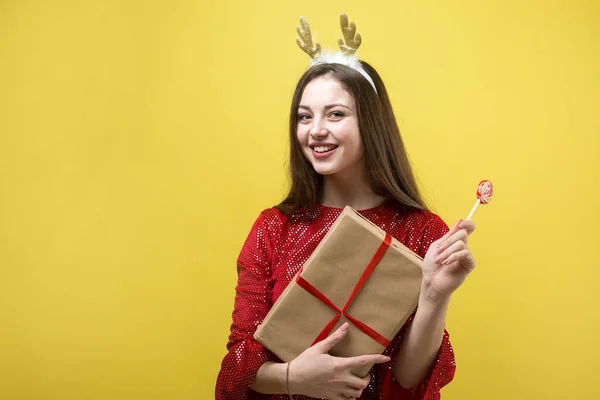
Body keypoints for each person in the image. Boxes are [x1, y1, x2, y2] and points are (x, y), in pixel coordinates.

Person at [215, 14, 476, 400]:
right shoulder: (274, 227)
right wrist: (291, 377)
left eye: (335, 114)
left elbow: (407, 379)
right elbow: (239, 365)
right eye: (304, 116)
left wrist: (435, 295)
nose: (315, 129)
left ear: (371, 123)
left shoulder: (422, 230)